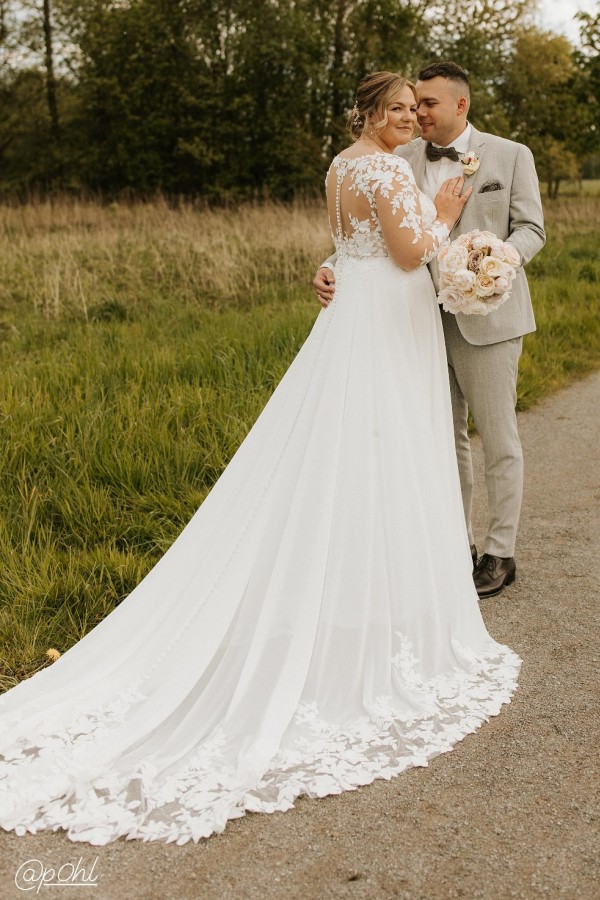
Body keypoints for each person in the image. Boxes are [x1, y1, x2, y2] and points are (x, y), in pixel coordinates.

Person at [0, 72, 520, 846]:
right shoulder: (382, 166)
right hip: (386, 318)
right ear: (373, 116)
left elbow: (357, 245)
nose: (412, 116)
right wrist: (444, 218)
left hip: (364, 313)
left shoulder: (343, 165)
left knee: (364, 447)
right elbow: (410, 255)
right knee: (383, 447)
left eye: (418, 107)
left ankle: (376, 587)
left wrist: (346, 262)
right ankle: (373, 605)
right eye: (400, 108)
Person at [314, 62, 546, 599]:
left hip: (489, 315)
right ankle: (453, 544)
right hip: (415, 320)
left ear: (460, 106)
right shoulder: (399, 157)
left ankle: (499, 553)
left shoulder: (510, 155)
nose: (417, 113)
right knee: (442, 439)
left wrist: (495, 263)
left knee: (497, 437)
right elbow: (379, 232)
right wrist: (331, 263)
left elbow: (531, 227)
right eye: (411, 104)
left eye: (427, 104)